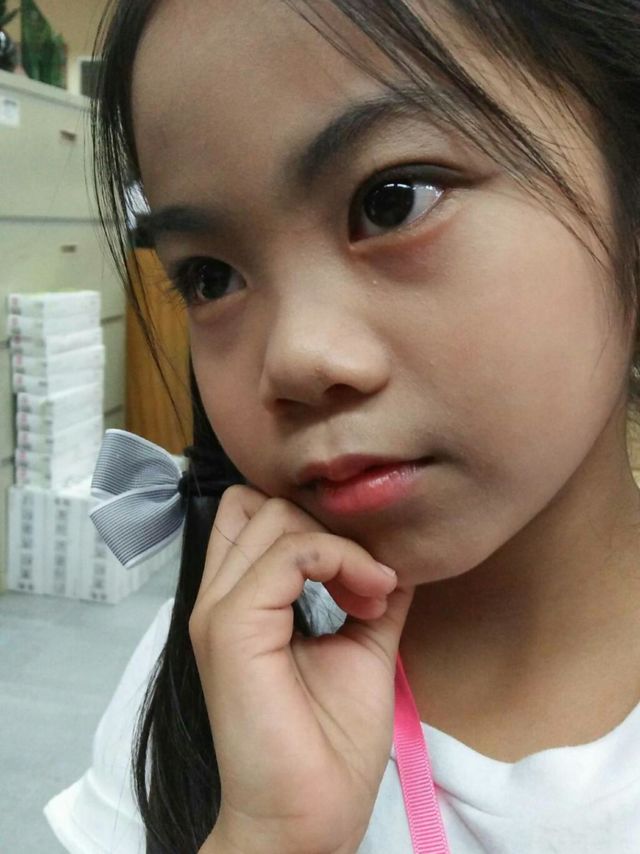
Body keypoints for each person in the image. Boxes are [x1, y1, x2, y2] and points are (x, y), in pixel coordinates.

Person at [44, 0, 640, 852]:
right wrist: (265, 835)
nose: (294, 357)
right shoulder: (212, 680)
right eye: (210, 277)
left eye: (393, 201)